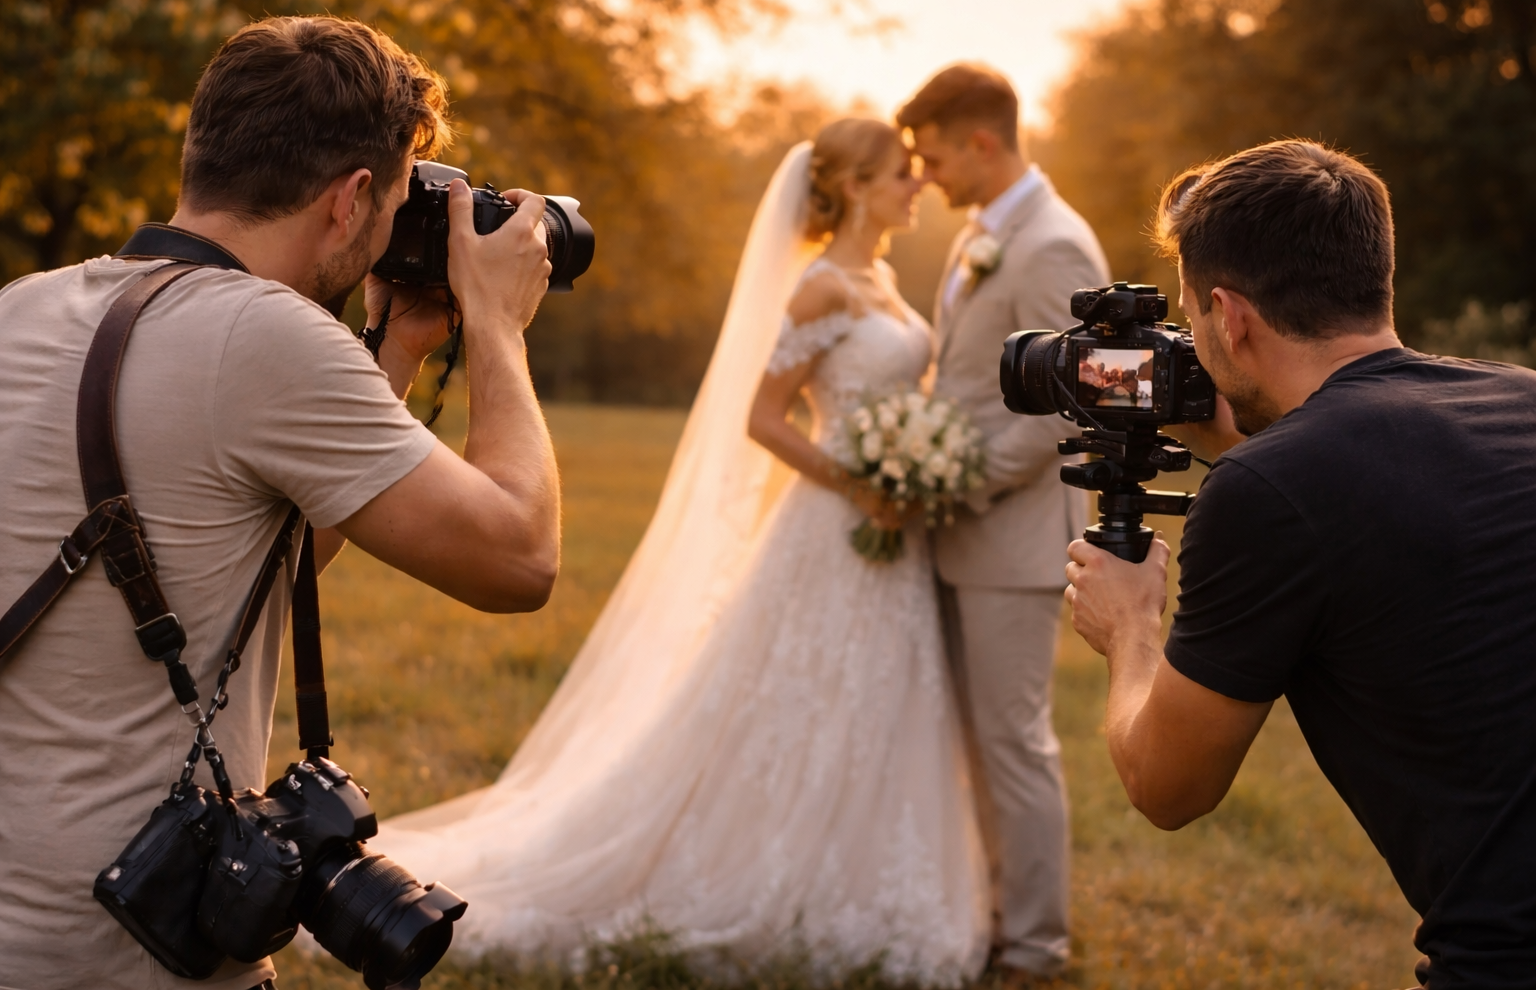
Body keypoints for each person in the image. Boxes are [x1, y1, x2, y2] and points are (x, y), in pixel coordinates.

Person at [0, 17, 560, 990]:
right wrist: (501, 328)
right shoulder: (269, 339)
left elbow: (253, 557)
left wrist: (397, 353)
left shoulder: (26, 305)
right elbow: (518, 560)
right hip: (125, 951)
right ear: (349, 201)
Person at [367, 119, 990, 985]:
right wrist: (861, 482)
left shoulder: (881, 279)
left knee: (876, 703)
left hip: (895, 543)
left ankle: (866, 877)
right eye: (898, 175)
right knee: (792, 704)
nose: (915, 186)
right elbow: (763, 417)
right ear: (851, 186)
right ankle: (763, 873)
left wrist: (913, 467)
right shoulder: (820, 289)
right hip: (831, 525)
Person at [1064, 139, 1536, 990]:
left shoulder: (1271, 489)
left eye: (1189, 322)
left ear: (1228, 314)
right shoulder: (1519, 395)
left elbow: (1166, 788)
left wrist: (1129, 626)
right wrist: (1249, 448)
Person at [896, 63, 1109, 981]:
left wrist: (955, 479)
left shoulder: (1053, 244)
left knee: (1013, 745)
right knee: (974, 744)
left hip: (1014, 536)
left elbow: (1076, 409)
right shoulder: (984, 232)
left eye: (935, 156)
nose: (928, 177)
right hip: (960, 529)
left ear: (983, 141)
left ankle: (1033, 946)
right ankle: (983, 915)